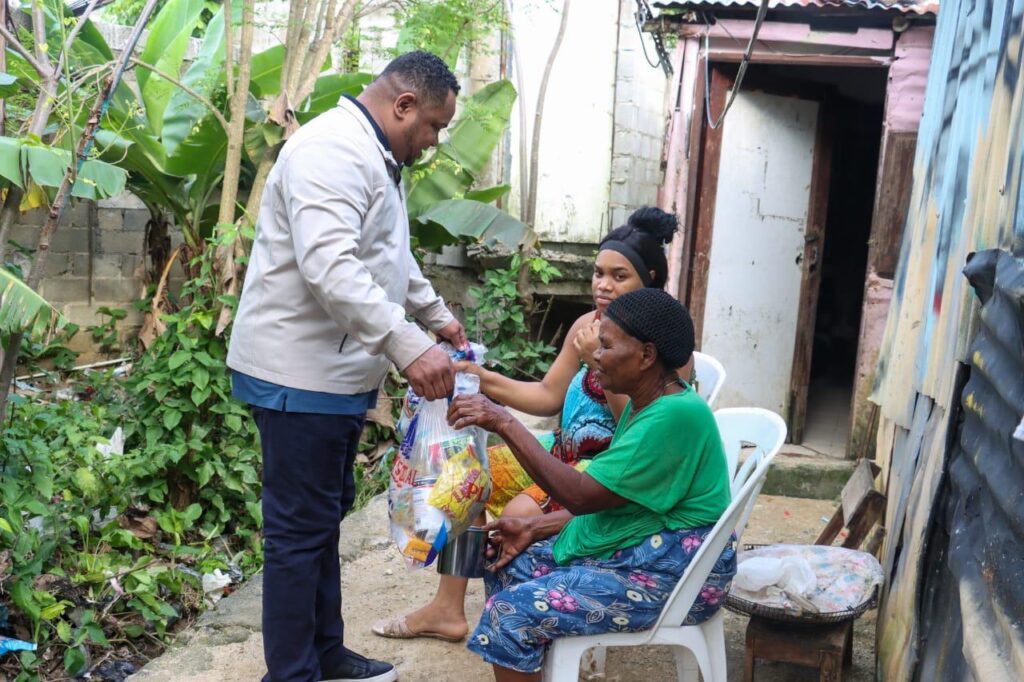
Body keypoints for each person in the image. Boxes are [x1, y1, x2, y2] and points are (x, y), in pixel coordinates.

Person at [227, 51, 468, 682]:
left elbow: (387, 254)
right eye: (433, 127)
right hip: (297, 378)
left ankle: (324, 653)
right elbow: (331, 267)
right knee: (296, 535)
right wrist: (410, 345)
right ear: (403, 106)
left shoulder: (371, 155)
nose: (433, 141)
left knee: (319, 522)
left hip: (332, 378)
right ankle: (292, 673)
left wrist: (436, 316)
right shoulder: (331, 151)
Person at [372, 207, 683, 643]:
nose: (603, 285)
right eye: (598, 273)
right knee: (468, 473)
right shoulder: (586, 324)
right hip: (562, 453)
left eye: (619, 276)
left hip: (606, 471)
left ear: (649, 277)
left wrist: (598, 355)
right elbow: (547, 395)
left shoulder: (663, 342)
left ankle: (538, 623)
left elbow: (638, 423)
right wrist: (481, 378)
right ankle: (448, 608)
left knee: (520, 512)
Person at [447, 288, 736, 681]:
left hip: (677, 576)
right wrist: (533, 527)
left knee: (509, 614)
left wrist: (503, 421)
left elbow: (582, 496)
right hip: (644, 547)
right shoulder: (649, 401)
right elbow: (618, 499)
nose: (594, 358)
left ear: (647, 356)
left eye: (605, 347)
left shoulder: (673, 417)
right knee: (506, 563)